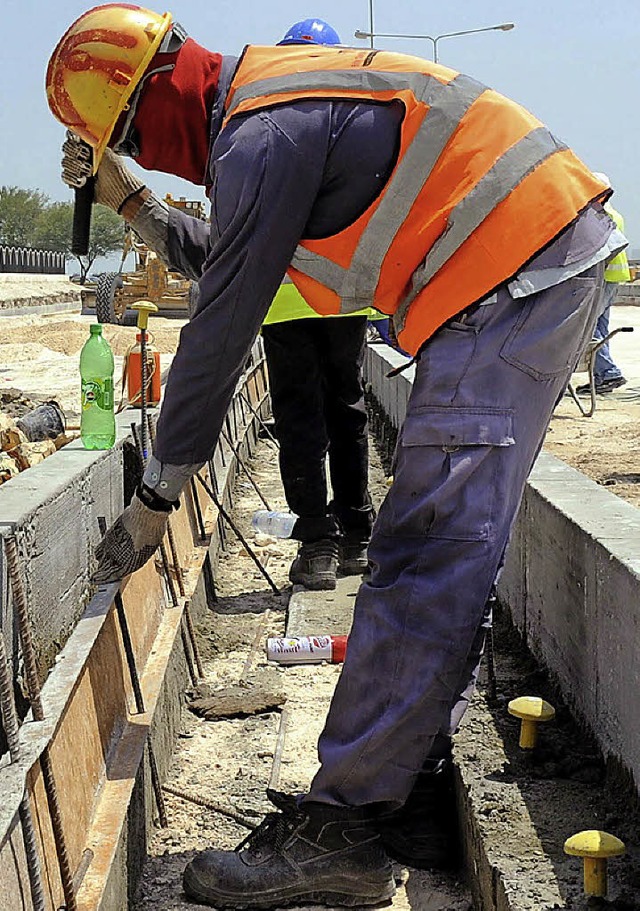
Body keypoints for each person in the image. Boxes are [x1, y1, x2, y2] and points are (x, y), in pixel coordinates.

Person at [47, 6, 626, 908]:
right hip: (517, 265)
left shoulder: (260, 130)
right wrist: (130, 201)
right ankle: (406, 792)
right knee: (430, 543)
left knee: (428, 546)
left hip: (515, 267)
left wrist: (160, 491)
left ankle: (345, 826)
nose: (147, 154)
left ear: (159, 86)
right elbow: (230, 255)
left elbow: (221, 320)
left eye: (129, 135)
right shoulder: (262, 116)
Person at [262, 20, 375, 591]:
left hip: (292, 297)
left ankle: (321, 543)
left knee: (306, 417)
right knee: (343, 409)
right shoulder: (357, 122)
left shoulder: (267, 124)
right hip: (337, 294)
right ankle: (351, 536)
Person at [575, 173, 631, 395]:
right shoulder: (615, 213)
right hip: (613, 277)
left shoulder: (601, 214)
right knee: (599, 327)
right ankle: (600, 376)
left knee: (586, 327)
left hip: (604, 277)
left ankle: (608, 372)